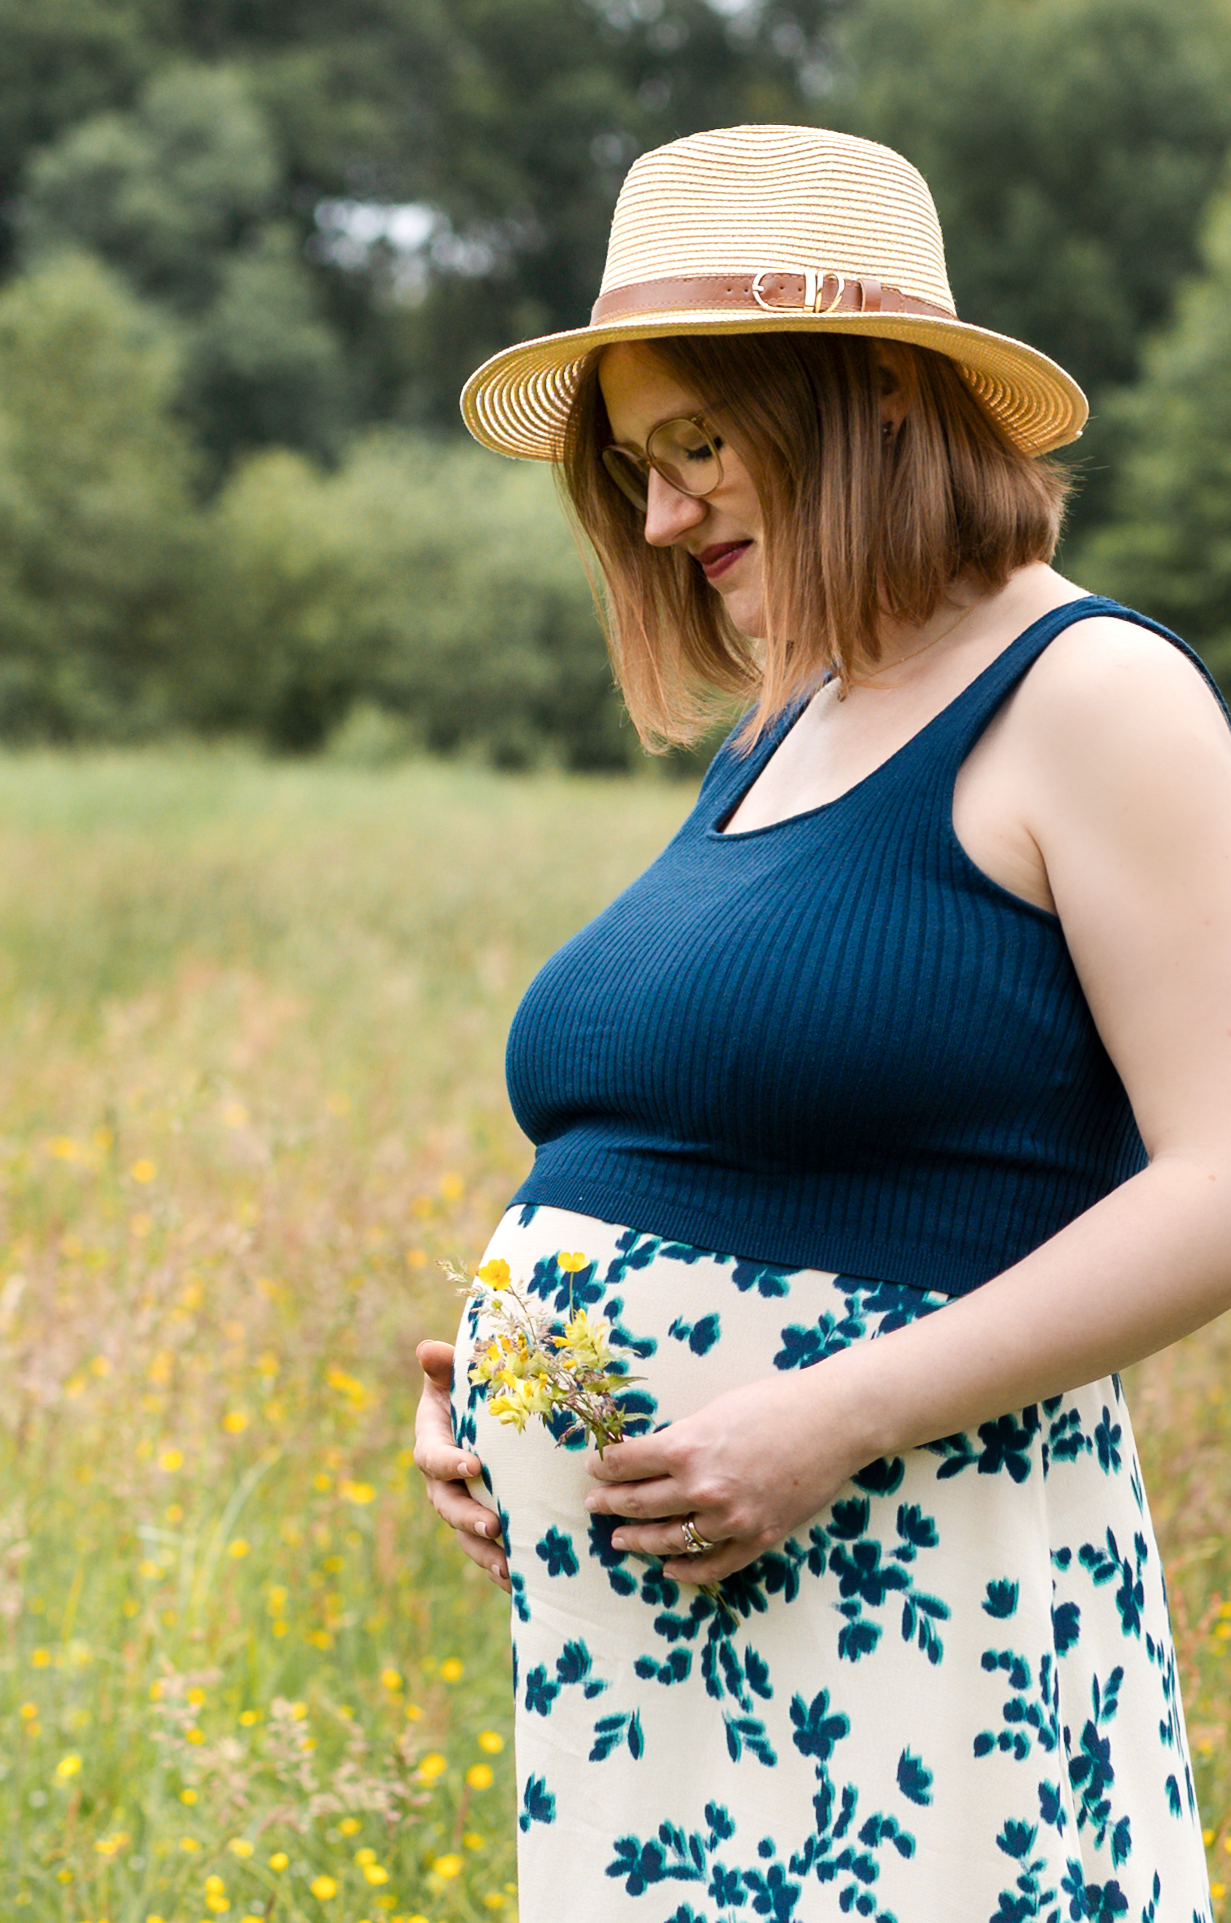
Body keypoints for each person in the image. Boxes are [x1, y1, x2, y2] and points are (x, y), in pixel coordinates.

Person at [412, 124, 1226, 1921]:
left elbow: (1227, 1177)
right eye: (637, 466)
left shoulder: (1093, 697)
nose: (659, 517)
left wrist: (830, 1418)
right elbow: (689, 1155)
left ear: (873, 400)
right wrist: (505, 1395)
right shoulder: (790, 727)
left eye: (698, 445)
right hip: (672, 1669)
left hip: (914, 1614)